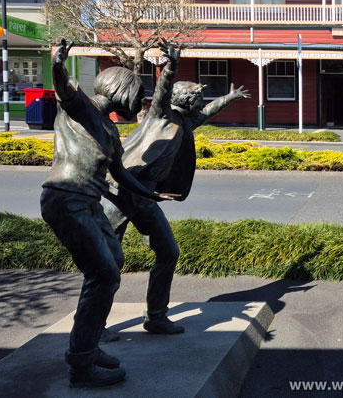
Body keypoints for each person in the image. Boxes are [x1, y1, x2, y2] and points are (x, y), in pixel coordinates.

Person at [40, 39, 169, 388]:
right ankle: (81, 365)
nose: (139, 101)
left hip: (88, 202)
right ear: (120, 90)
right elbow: (65, 89)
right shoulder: (80, 109)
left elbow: (121, 173)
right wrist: (57, 62)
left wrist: (151, 195)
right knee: (104, 275)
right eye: (137, 93)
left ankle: (89, 345)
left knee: (113, 260)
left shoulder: (111, 131)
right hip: (66, 197)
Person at [102, 42, 248, 336]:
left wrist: (229, 98)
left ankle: (156, 316)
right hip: (120, 190)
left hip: (146, 197)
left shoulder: (185, 120)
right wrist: (171, 66)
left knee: (168, 252)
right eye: (199, 98)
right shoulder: (161, 114)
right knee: (106, 263)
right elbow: (162, 91)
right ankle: (94, 325)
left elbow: (207, 112)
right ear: (186, 99)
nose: (201, 102)